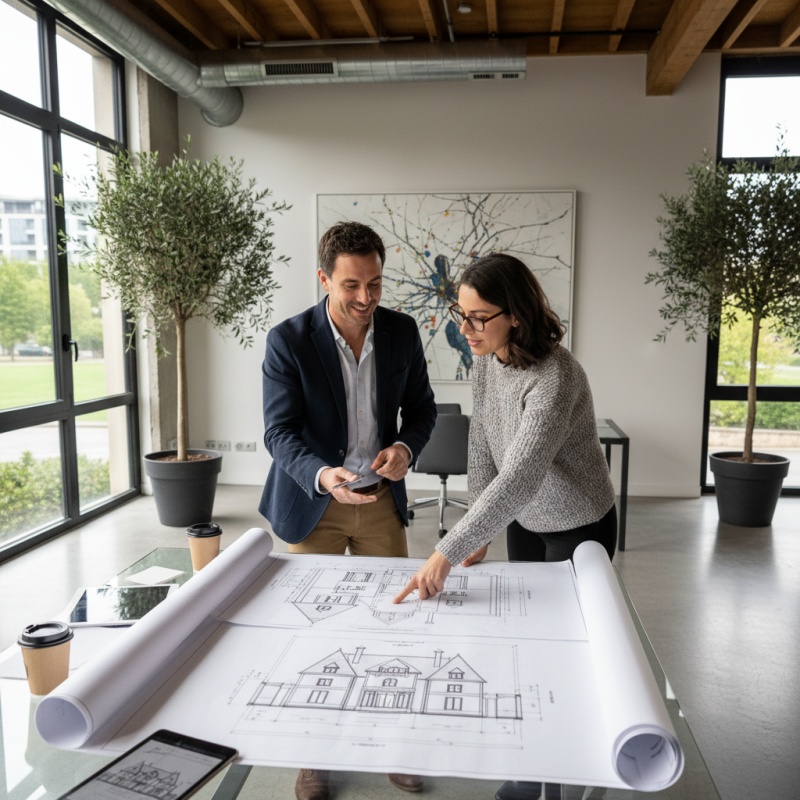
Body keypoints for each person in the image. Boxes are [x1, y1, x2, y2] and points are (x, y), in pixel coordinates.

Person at [392, 251, 616, 800]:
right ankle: (530, 770)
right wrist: (479, 523)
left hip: (577, 524)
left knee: (567, 657)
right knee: (529, 644)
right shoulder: (490, 358)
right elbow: (483, 445)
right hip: (525, 522)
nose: (464, 329)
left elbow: (519, 475)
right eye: (460, 315)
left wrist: (446, 548)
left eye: (477, 317)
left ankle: (565, 776)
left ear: (514, 314)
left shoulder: (556, 377)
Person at [259, 220, 437, 800]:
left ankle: (394, 743)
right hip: (316, 505)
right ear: (323, 279)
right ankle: (314, 757)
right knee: (315, 633)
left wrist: (406, 448)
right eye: (352, 286)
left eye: (376, 284)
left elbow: (424, 410)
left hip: (382, 504)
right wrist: (320, 473)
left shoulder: (403, 333)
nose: (366, 299)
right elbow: (279, 432)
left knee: (395, 627)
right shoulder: (288, 341)